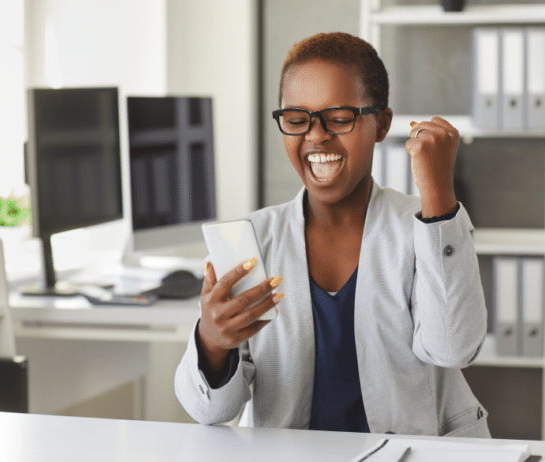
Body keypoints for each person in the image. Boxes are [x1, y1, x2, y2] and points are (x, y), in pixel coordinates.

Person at [175, 31, 490, 437]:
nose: (316, 135)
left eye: (339, 118)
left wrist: (439, 195)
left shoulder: (427, 225)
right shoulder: (251, 239)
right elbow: (210, 411)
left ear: (381, 124)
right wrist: (213, 343)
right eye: (296, 119)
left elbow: (454, 348)